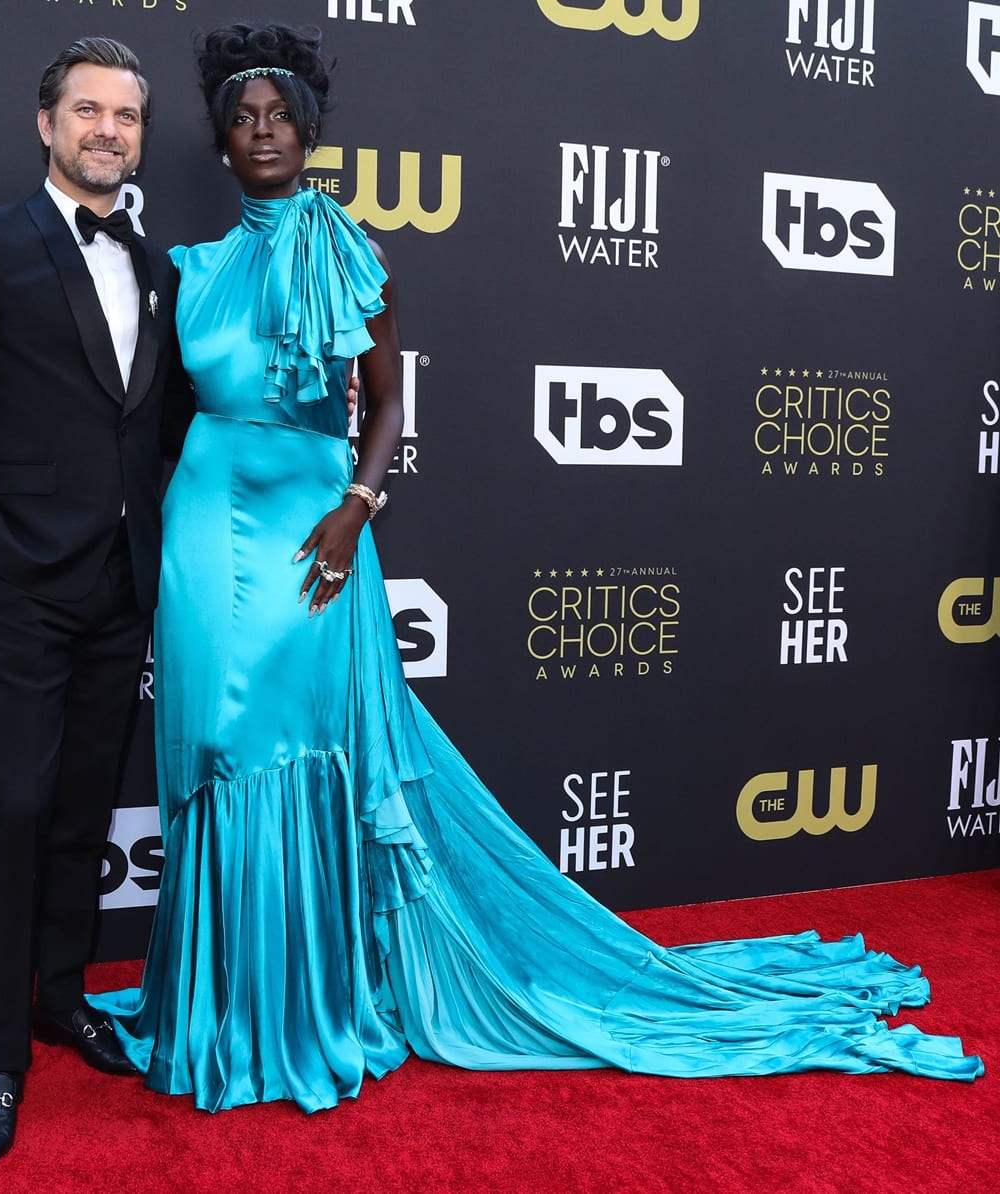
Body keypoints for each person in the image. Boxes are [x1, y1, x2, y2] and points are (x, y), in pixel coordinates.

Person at [92, 22, 984, 1111]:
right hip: (200, 533)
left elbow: (383, 400)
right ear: (222, 147)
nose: (262, 131)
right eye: (243, 119)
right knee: (213, 751)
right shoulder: (185, 272)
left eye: (280, 116)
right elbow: (159, 415)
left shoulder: (352, 252)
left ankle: (304, 1001)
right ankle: (214, 1004)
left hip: (313, 529)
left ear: (310, 136)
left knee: (296, 751)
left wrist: (356, 509)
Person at [0, 37, 192, 1163]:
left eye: (128, 115)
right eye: (89, 110)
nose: (110, 130)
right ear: (47, 123)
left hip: (122, 587)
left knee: (79, 811)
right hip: (17, 584)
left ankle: (62, 1000)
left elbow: (154, 431)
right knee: (13, 810)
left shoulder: (157, 269)